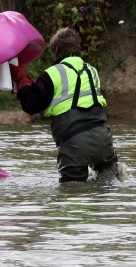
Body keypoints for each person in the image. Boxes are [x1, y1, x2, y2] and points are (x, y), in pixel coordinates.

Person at [10, 27, 121, 182]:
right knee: (110, 183)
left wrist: (20, 75)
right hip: (103, 139)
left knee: (71, 194)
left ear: (55, 51)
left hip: (74, 143)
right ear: (77, 49)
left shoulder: (52, 74)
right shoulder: (92, 71)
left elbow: (31, 105)